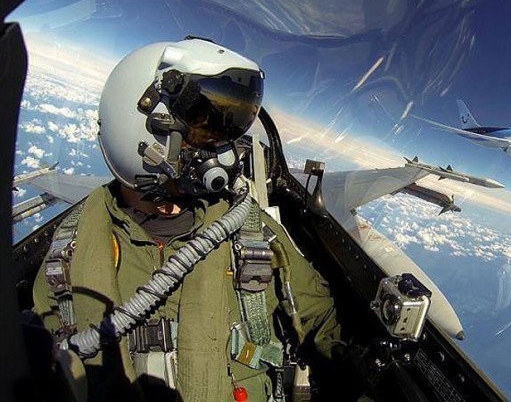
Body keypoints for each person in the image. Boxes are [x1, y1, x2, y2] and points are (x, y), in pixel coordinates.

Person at [32, 37, 341, 402]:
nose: (221, 153)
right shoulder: (69, 249)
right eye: (201, 132)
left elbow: (322, 324)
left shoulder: (252, 235)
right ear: (139, 132)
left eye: (224, 134)